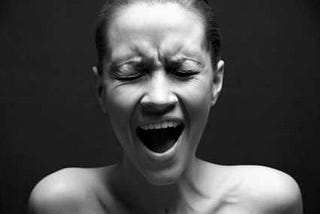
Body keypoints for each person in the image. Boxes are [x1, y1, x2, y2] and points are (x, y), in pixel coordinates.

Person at [28, 0, 303, 213]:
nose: (159, 99)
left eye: (183, 71)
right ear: (101, 89)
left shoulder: (271, 203)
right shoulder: (59, 204)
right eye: (130, 73)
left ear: (215, 82)